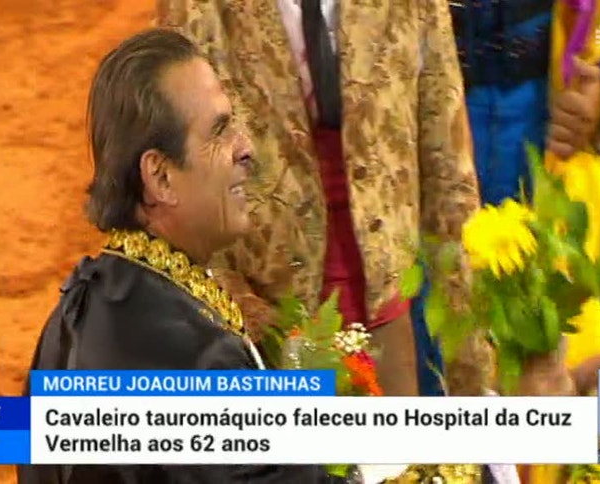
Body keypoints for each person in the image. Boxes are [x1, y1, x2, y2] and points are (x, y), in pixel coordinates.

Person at [17, 29, 349, 484]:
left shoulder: (79, 307)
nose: (246, 148)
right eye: (219, 132)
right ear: (161, 177)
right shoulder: (197, 358)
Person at [157, 0, 479, 398]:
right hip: (263, 321)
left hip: (385, 309)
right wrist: (234, 310)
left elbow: (449, 171)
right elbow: (179, 173)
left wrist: (475, 381)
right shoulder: (200, 9)